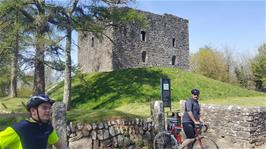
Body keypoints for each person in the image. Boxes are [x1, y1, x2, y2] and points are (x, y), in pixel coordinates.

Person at [0, 93, 68, 149]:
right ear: (33, 111)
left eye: (49, 108)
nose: (48, 111)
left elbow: (61, 146)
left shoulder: (47, 128)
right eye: (44, 107)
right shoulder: (19, 128)